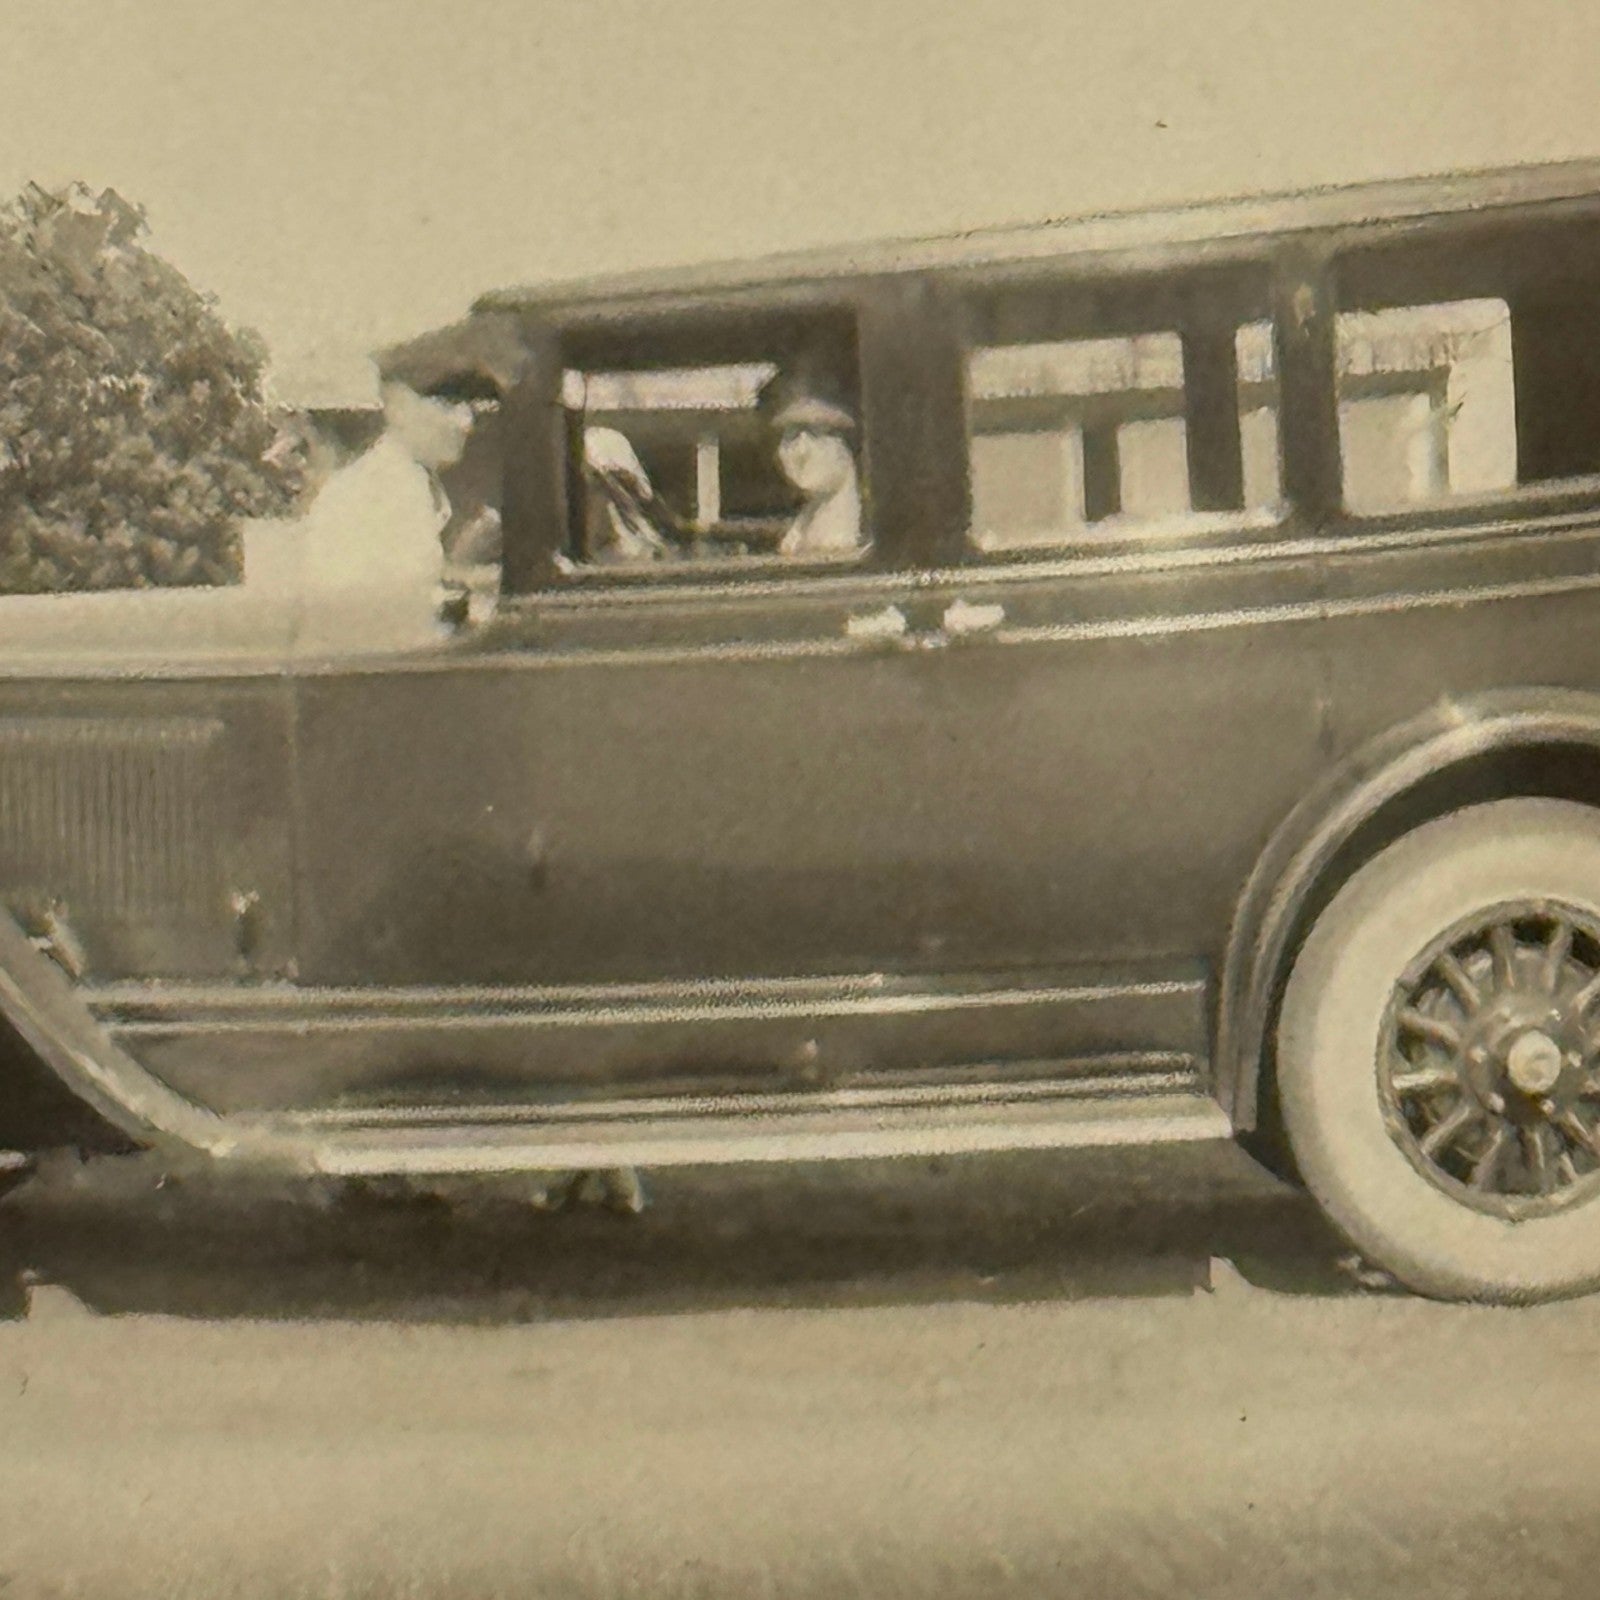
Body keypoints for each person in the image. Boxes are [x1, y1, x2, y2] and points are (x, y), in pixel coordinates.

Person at [282, 379, 474, 653]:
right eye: (447, 402)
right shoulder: (364, 495)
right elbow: (378, 631)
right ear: (398, 407)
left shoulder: (416, 484)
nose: (466, 421)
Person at [765, 380, 865, 557]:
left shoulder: (868, 535)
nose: (802, 449)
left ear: (844, 449)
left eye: (816, 434)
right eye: (791, 435)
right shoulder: (801, 526)